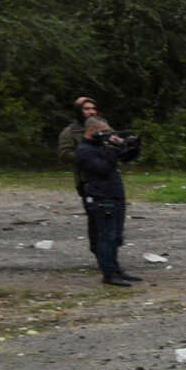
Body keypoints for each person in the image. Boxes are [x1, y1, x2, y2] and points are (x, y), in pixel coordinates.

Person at [71, 101, 141, 287]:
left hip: (114, 194)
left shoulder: (101, 146)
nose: (107, 136)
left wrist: (132, 146)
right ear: (92, 131)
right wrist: (111, 148)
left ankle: (116, 269)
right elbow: (102, 169)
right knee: (106, 237)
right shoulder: (84, 150)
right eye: (104, 132)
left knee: (116, 236)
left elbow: (124, 157)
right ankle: (108, 274)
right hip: (101, 196)